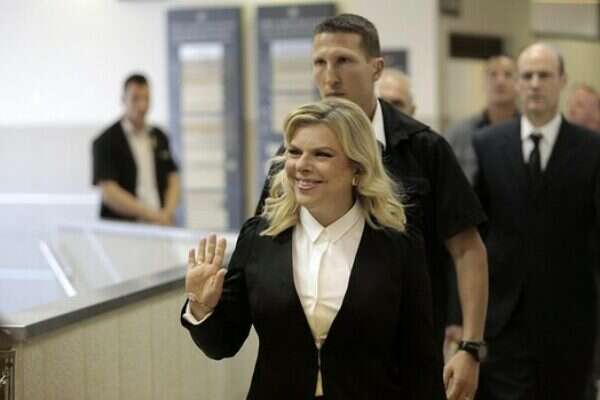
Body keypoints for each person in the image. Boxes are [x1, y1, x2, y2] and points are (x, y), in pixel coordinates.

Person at [256, 14, 488, 400]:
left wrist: (471, 346)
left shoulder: (424, 149)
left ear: (376, 68)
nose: (330, 76)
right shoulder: (295, 156)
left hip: (405, 363)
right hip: (317, 364)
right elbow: (268, 241)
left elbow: (467, 250)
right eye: (320, 62)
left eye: (343, 61)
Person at [182, 97, 445, 399]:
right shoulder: (260, 237)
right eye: (294, 152)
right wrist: (201, 307)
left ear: (358, 168)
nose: (302, 166)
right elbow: (222, 344)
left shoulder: (399, 244)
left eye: (322, 154)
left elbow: (420, 359)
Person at [472, 43, 600, 399]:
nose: (534, 84)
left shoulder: (592, 149)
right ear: (516, 82)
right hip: (504, 319)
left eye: (544, 75)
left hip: (571, 320)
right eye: (526, 75)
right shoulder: (488, 143)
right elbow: (475, 234)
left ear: (562, 80)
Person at [92, 74, 180, 225]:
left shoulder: (159, 136)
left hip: (160, 225)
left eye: (146, 99)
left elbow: (173, 178)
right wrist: (150, 215)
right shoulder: (106, 141)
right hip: (124, 228)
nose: (142, 106)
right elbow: (109, 192)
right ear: (123, 99)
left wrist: (167, 212)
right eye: (135, 99)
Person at [445, 55, 519, 184]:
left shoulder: (529, 132)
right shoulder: (458, 133)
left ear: (519, 83)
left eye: (508, 74)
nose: (500, 81)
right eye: (493, 74)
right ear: (483, 83)